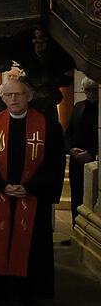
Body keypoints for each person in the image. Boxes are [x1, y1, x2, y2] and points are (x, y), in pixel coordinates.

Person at [0, 79, 65, 306]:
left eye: (19, 94)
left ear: (29, 96)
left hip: (32, 196)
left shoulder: (48, 126)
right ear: (2, 98)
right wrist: (0, 184)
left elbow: (54, 164)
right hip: (0, 195)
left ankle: (28, 293)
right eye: (9, 95)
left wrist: (31, 187)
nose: (14, 99)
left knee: (32, 245)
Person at [65, 77, 99, 225]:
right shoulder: (78, 106)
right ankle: (75, 229)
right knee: (76, 195)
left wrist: (91, 153)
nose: (90, 94)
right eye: (87, 90)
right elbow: (69, 132)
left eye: (94, 90)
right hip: (76, 159)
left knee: (92, 198)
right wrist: (71, 149)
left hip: (94, 159)